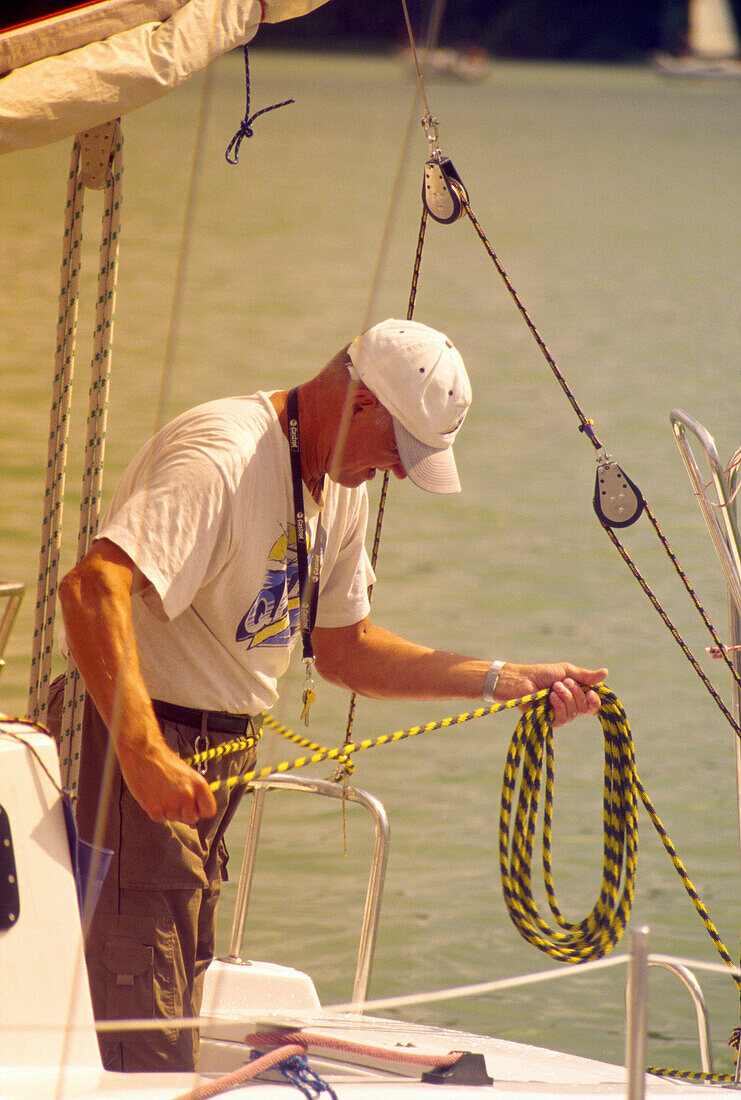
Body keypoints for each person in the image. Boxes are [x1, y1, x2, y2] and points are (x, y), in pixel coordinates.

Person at [51, 318, 607, 1072]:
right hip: (138, 747)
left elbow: (347, 651)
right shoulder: (223, 456)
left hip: (215, 762)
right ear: (360, 402)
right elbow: (91, 589)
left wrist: (510, 680)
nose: (402, 473)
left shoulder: (341, 488)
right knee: (144, 1035)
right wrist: (143, 752)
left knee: (173, 988)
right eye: (399, 449)